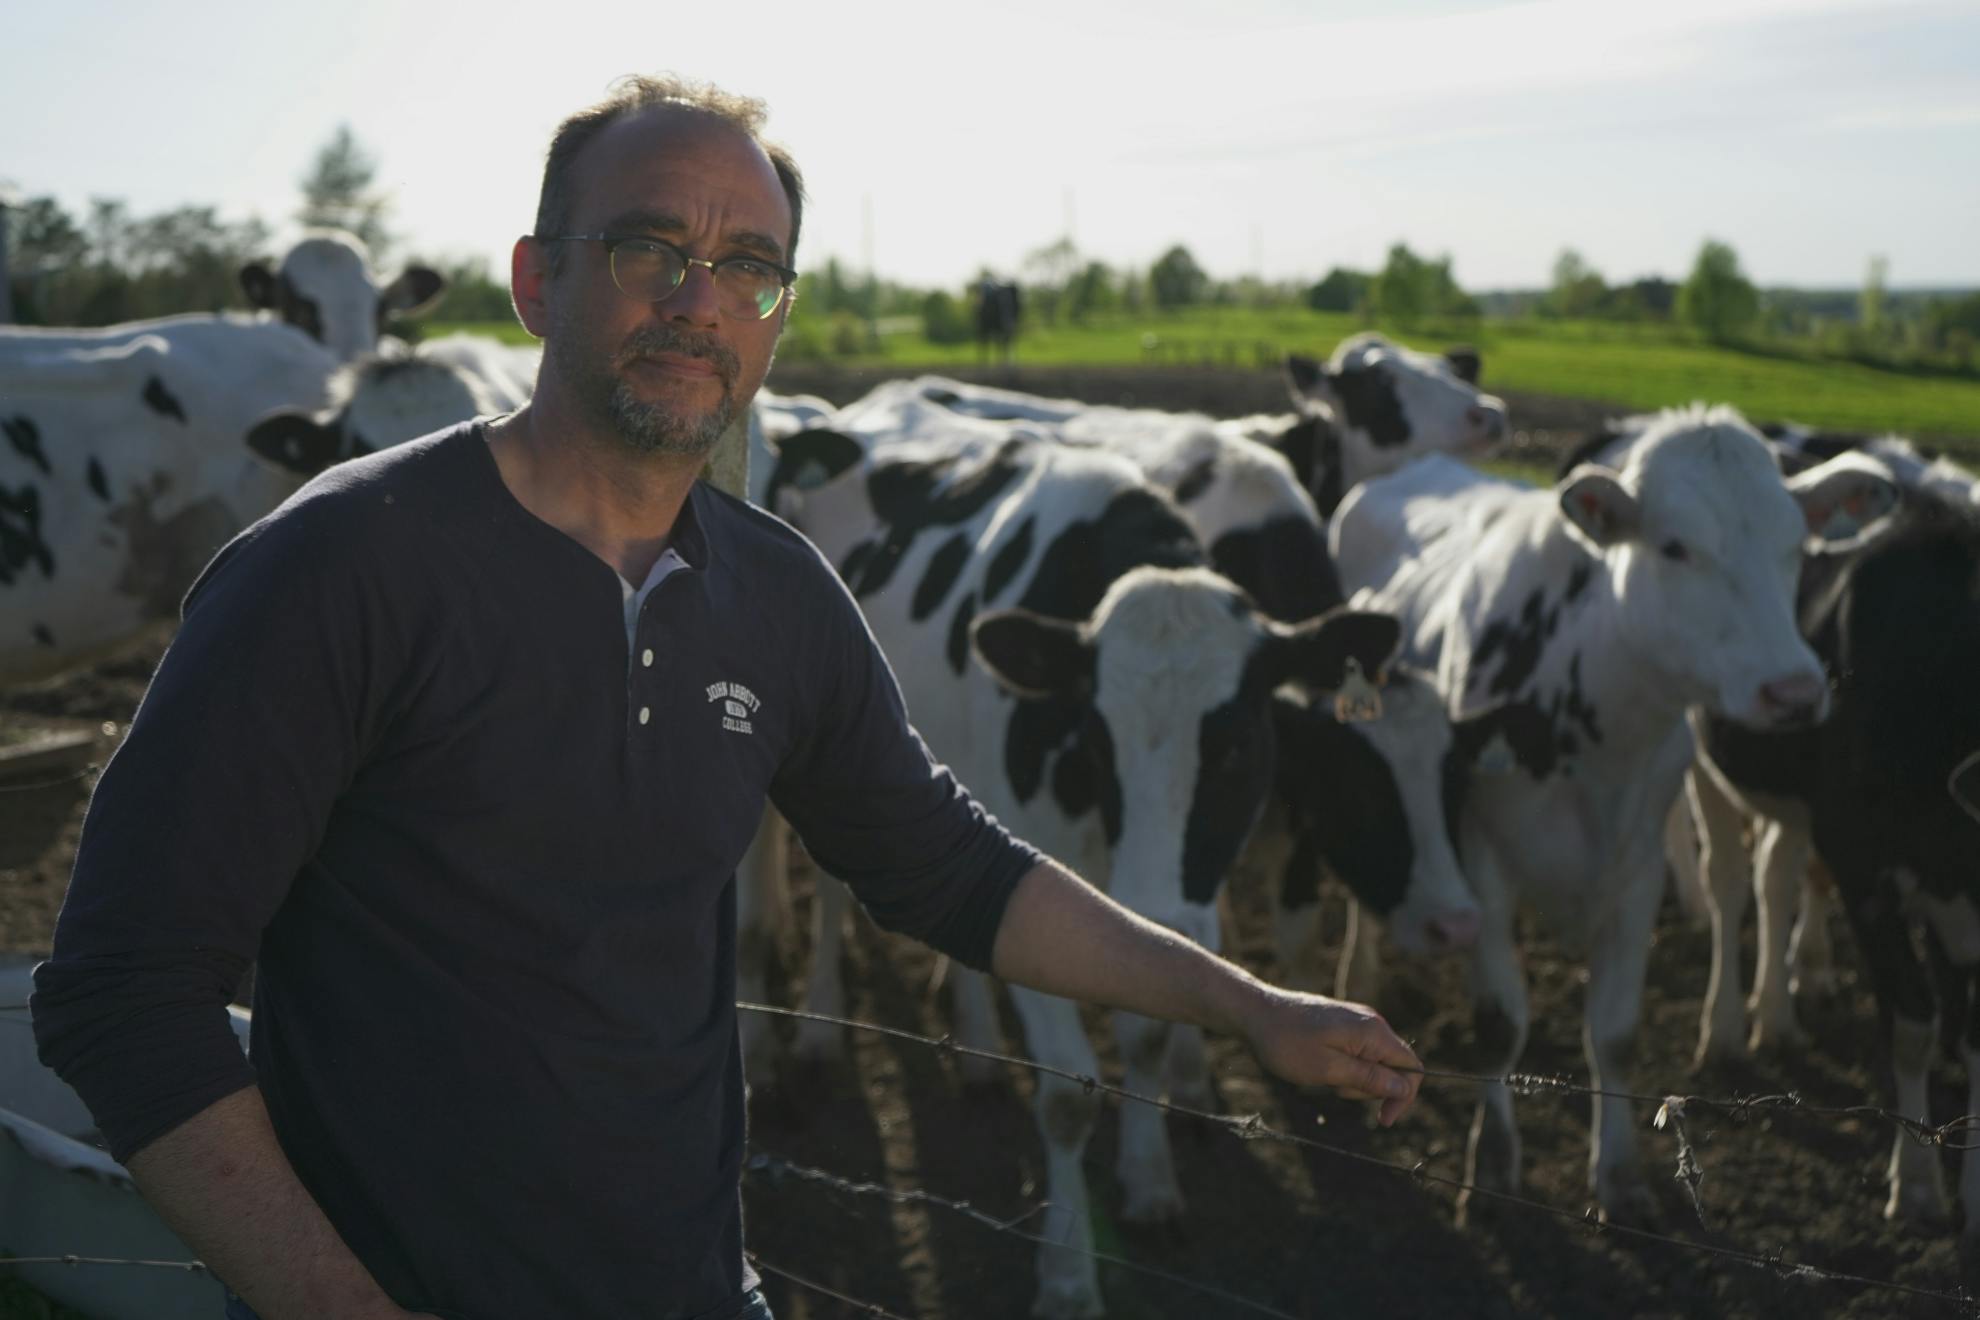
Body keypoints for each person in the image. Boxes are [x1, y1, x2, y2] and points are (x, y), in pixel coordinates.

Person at [31, 75, 1422, 1320]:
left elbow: (950, 872)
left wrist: (1246, 1006)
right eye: (651, 248)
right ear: (534, 282)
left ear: (778, 321)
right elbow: (121, 992)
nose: (701, 299)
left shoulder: (778, 596)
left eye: (749, 266)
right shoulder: (337, 569)